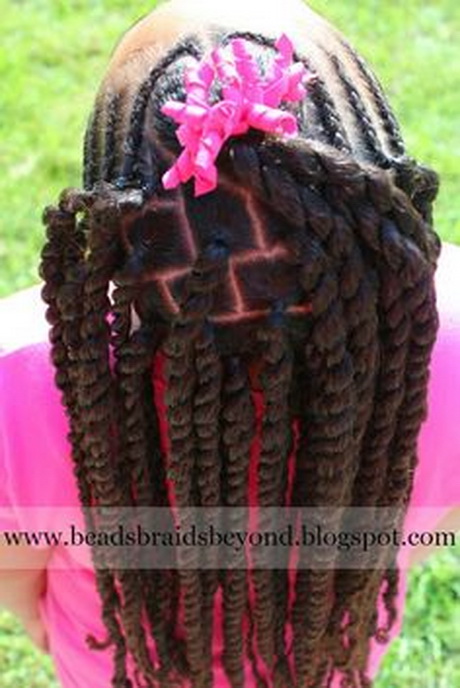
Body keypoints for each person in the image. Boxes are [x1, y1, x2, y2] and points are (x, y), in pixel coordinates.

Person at [0, 1, 459, 687]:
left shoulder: (23, 378)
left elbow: (16, 569)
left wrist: (37, 621)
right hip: (328, 653)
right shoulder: (439, 338)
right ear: (367, 191)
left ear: (117, 213)